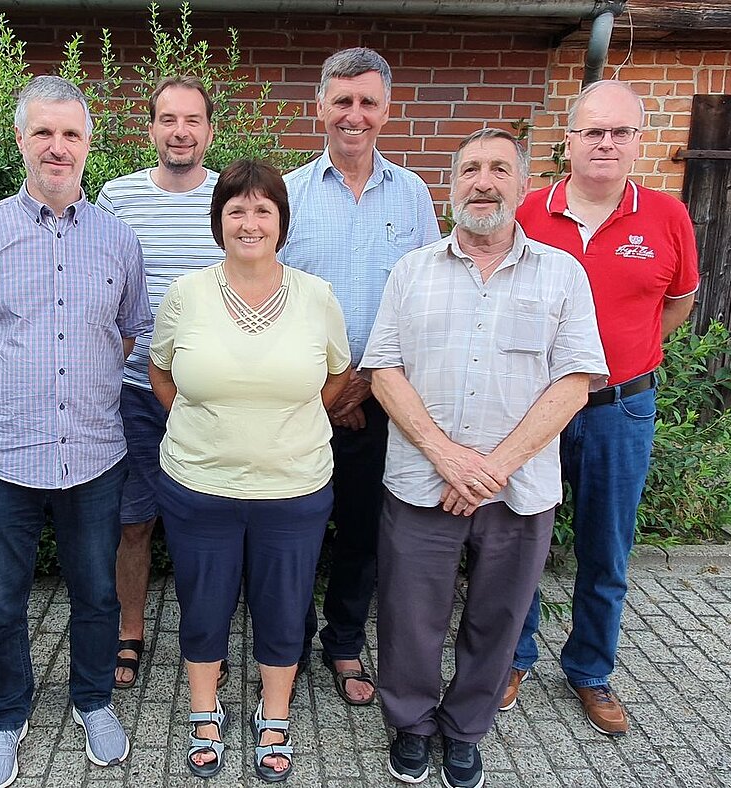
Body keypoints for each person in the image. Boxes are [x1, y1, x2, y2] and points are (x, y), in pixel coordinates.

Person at [364, 129, 608, 787]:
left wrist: (491, 468)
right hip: (423, 481)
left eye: (500, 169)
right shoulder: (412, 271)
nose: (483, 181)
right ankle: (412, 725)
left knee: (499, 619)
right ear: (451, 186)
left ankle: (466, 729)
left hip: (519, 490)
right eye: (470, 168)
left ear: (523, 186)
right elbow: (383, 370)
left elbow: (575, 383)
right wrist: (447, 457)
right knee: (410, 618)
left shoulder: (562, 274)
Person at [0, 76, 152, 788]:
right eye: (43, 133)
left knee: (97, 595)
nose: (57, 147)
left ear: (88, 144)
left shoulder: (119, 239)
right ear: (20, 140)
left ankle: (93, 700)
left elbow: (126, 335)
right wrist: (13, 391)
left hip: (93, 455)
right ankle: (6, 715)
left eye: (71, 134)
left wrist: (74, 387)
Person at [506, 79, 700, 736]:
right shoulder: (528, 211)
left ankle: (590, 671)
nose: (606, 143)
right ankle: (513, 657)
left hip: (620, 410)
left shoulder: (667, 217)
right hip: (535, 408)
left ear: (639, 141)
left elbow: (678, 302)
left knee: (606, 548)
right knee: (520, 538)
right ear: (569, 141)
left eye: (620, 132)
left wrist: (624, 356)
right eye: (593, 131)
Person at [148, 159, 350, 782]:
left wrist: (284, 427)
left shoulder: (317, 297)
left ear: (282, 221)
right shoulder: (186, 294)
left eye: (264, 209)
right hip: (198, 486)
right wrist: (208, 426)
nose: (250, 222)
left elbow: (337, 375)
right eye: (236, 209)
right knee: (202, 604)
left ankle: (275, 712)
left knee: (284, 607)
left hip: (294, 489)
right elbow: (161, 372)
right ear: (219, 221)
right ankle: (204, 711)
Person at [281, 46, 439, 707]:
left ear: (386, 110)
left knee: (363, 529)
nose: (354, 114)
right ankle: (287, 642)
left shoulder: (414, 195)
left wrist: (364, 382)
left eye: (367, 102)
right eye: (342, 100)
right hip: (298, 400)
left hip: (380, 398)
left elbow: (425, 300)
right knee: (292, 528)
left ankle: (344, 641)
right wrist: (327, 389)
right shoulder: (287, 193)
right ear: (320, 105)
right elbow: (266, 296)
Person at [94, 76, 225, 691]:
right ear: (151, 129)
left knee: (212, 523)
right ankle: (130, 631)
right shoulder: (117, 197)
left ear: (209, 130)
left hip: (211, 394)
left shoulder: (230, 196)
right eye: (168, 119)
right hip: (133, 390)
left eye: (192, 120)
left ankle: (209, 637)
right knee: (133, 521)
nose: (180, 131)